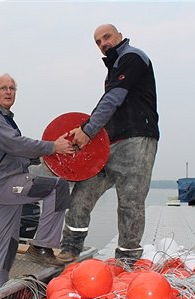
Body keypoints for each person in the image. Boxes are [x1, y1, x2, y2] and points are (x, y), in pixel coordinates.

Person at [58, 23, 159, 264]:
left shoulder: (133, 57)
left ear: (120, 36)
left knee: (131, 203)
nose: (103, 43)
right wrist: (89, 132)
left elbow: (113, 98)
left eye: (107, 37)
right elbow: (109, 103)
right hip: (109, 143)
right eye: (98, 42)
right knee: (82, 194)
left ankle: (128, 260)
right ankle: (70, 249)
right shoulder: (114, 67)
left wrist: (87, 130)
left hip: (137, 140)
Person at [0, 73, 75, 291]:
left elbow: (15, 153)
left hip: (3, 187)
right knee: (58, 187)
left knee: (8, 244)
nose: (8, 92)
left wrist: (41, 155)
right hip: (3, 184)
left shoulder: (4, 118)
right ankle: (42, 246)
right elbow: (15, 144)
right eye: (3, 88)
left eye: (12, 88)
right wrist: (51, 147)